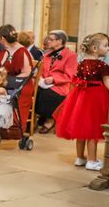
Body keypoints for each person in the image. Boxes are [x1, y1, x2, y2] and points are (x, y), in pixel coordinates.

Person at [55, 33, 109, 171]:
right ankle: (92, 160)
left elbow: (75, 80)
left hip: (81, 97)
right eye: (106, 45)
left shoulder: (82, 63)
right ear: (95, 48)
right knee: (93, 129)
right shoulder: (102, 65)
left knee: (81, 128)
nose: (108, 48)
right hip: (96, 98)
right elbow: (107, 83)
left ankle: (80, 158)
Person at [35, 29, 77, 133]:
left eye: (51, 39)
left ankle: (50, 120)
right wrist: (40, 77)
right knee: (33, 91)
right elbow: (42, 70)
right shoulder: (47, 54)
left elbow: (70, 75)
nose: (48, 41)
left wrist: (54, 79)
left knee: (48, 95)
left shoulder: (70, 55)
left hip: (60, 85)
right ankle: (37, 118)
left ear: (60, 41)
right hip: (45, 82)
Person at [0, 24, 34, 130]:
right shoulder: (4, 50)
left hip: (21, 85)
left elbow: (26, 73)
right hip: (6, 82)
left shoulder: (22, 51)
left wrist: (8, 81)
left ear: (1, 38)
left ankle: (13, 128)